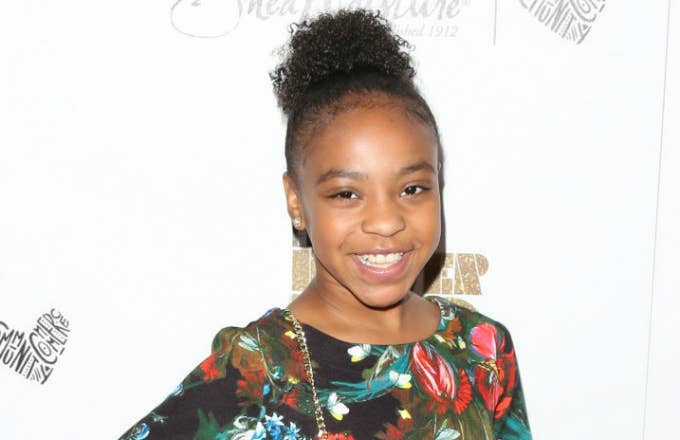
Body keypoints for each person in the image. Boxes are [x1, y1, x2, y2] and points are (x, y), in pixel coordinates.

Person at [118, 8, 532, 440]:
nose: (386, 221)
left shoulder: (483, 348)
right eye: (347, 194)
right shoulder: (261, 367)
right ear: (296, 202)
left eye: (412, 188)